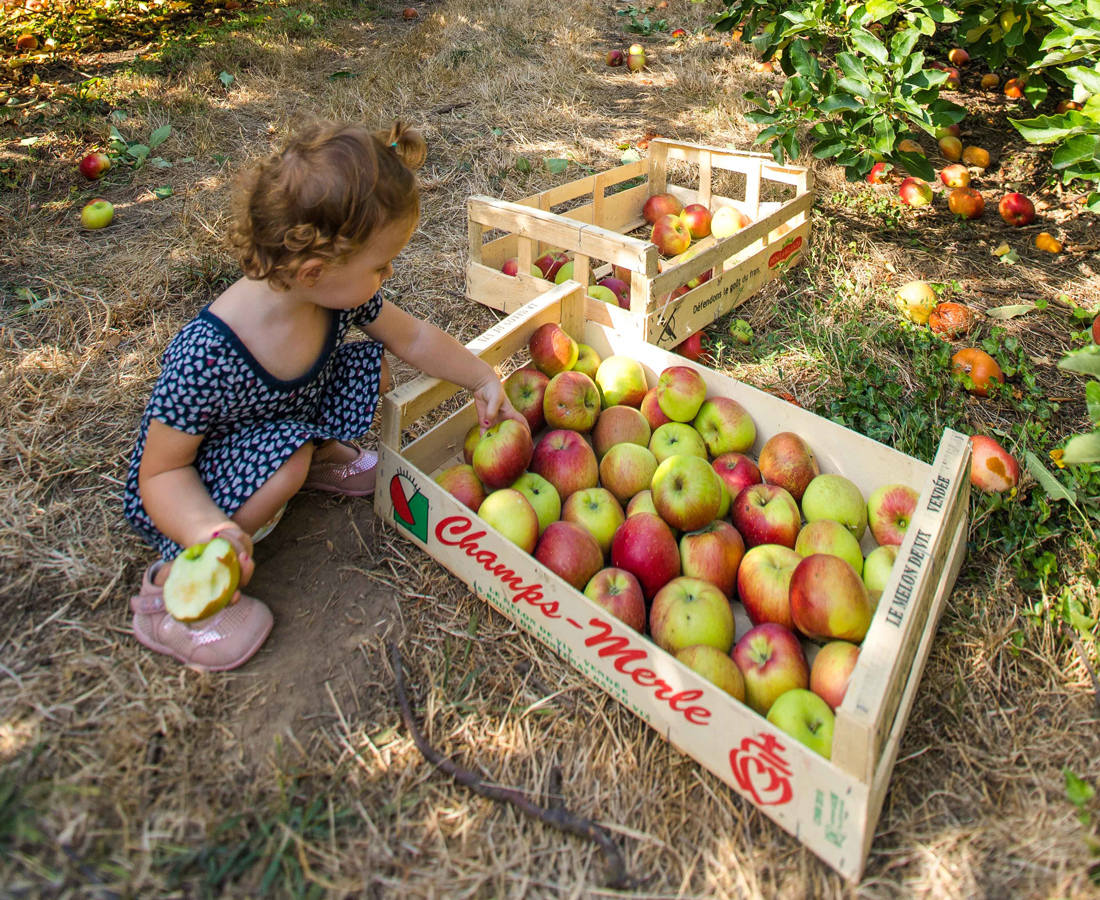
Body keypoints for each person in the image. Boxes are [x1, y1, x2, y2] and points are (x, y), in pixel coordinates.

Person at [123, 120, 527, 672]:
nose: (386, 277)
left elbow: (412, 337)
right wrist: (205, 532)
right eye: (380, 266)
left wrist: (481, 376)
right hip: (199, 486)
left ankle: (313, 456)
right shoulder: (207, 354)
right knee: (282, 463)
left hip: (284, 419)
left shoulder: (331, 296)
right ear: (314, 270)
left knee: (369, 369)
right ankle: (173, 598)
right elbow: (161, 474)